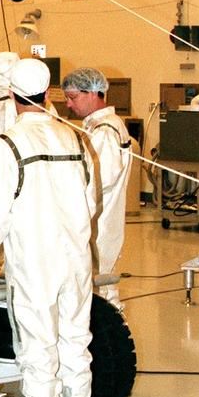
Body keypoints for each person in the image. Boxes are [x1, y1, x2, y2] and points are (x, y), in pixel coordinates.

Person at [0, 57, 97, 397]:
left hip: (34, 265)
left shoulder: (8, 146)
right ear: (48, 95)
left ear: (10, 95)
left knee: (38, 354)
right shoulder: (76, 139)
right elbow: (90, 204)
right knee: (76, 349)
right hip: (77, 262)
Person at [63, 67, 132, 311]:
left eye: (72, 98)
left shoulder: (105, 132)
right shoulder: (100, 126)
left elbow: (95, 183)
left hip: (98, 226)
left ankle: (109, 345)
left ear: (93, 93)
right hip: (100, 225)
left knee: (102, 294)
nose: (69, 105)